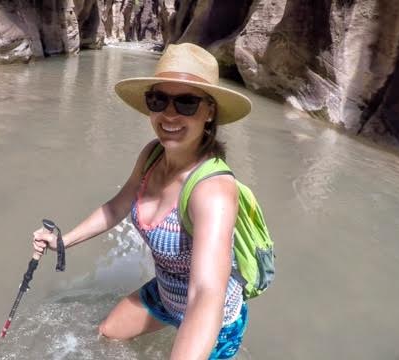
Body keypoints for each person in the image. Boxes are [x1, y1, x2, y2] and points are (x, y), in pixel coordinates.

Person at [32, 43, 253, 359]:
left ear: (210, 112)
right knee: (107, 334)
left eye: (187, 102)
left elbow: (206, 294)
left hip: (214, 322)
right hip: (165, 293)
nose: (169, 114)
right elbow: (117, 206)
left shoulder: (213, 191)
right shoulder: (152, 155)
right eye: (158, 100)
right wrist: (63, 241)